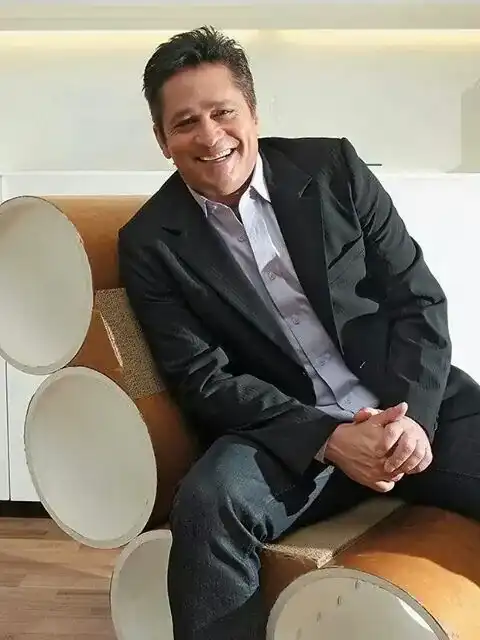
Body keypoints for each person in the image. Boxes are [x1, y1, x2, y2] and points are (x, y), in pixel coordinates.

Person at [118, 25, 480, 640]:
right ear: (162, 139)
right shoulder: (151, 242)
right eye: (185, 123)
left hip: (407, 408)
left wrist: (413, 418)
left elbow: (416, 299)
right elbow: (203, 379)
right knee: (208, 505)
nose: (209, 136)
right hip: (287, 435)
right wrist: (328, 438)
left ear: (253, 113)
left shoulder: (333, 168)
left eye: (222, 112)